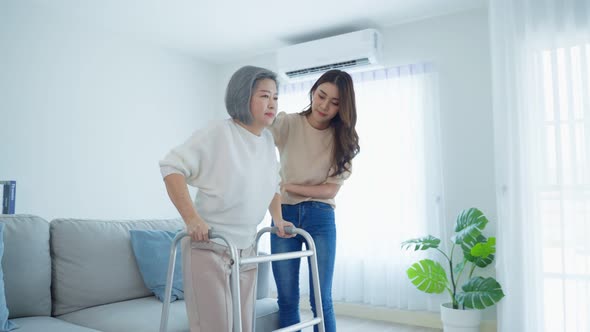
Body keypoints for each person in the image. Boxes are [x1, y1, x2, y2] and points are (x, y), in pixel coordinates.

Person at [159, 65, 294, 332]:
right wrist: (192, 219)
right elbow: (171, 166)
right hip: (210, 246)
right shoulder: (219, 133)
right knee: (216, 327)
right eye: (265, 96)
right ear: (244, 96)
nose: (272, 103)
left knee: (242, 326)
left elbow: (273, 184)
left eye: (275, 97)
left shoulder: (267, 141)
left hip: (246, 248)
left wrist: (278, 218)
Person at [270, 69, 360, 332]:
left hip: (320, 217)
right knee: (286, 298)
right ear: (313, 91)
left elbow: (330, 190)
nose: (324, 106)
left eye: (335, 103)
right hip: (283, 214)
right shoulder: (287, 123)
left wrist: (287, 185)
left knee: (322, 299)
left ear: (343, 108)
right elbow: (257, 142)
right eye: (322, 96)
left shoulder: (342, 139)